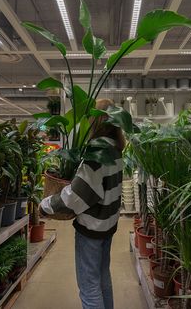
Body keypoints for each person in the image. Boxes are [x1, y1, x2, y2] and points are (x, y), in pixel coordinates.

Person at [39, 98, 125, 309]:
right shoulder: (115, 148)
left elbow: (79, 194)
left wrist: (47, 205)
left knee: (89, 287)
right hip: (108, 225)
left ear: (96, 120)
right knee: (102, 279)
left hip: (93, 228)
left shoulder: (97, 151)